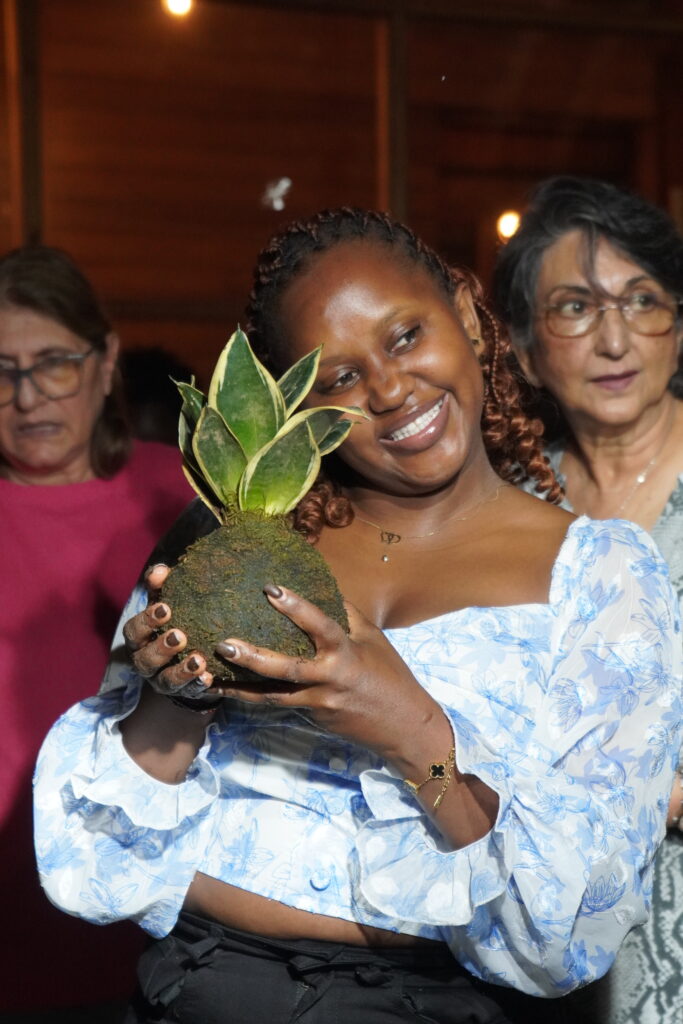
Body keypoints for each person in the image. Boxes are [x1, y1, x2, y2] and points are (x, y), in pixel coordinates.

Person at [34, 210, 682, 1024]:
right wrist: (174, 699)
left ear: (464, 313)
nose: (388, 389)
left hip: (426, 1005)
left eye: (405, 336)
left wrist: (408, 727)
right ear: (295, 407)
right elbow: (95, 858)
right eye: (338, 378)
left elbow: (567, 932)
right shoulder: (238, 538)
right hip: (195, 988)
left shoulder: (604, 576)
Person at [493, 175, 683, 1024]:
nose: (614, 339)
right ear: (524, 348)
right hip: (538, 950)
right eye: (574, 307)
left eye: (642, 301)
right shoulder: (508, 510)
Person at [0, 245, 193, 1021]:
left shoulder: (177, 493)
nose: (27, 398)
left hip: (162, 917)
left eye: (54, 363)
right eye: (1, 371)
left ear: (106, 359)